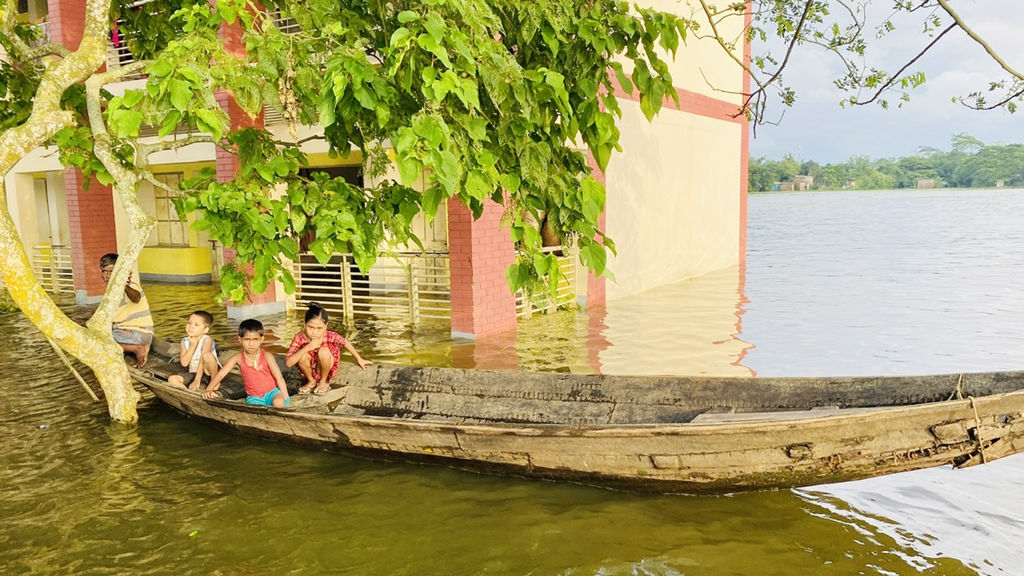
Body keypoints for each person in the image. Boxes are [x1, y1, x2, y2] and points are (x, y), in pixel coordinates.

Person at [285, 302, 371, 395]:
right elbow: (288, 363)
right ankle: (311, 380)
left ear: (326, 326)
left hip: (325, 364)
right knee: (301, 355)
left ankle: (323, 380)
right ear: (305, 324)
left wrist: (359, 359)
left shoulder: (330, 335)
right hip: (311, 368)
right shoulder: (300, 338)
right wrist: (307, 348)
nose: (314, 332)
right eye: (311, 327)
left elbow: (345, 343)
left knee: (323, 351)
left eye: (319, 328)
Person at [202, 319, 290, 407]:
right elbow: (221, 374)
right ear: (240, 339)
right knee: (255, 410)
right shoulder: (238, 357)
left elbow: (279, 377)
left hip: (272, 393)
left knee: (278, 402)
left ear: (261, 339)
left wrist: (285, 395)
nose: (251, 344)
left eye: (255, 340)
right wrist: (209, 389)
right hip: (254, 397)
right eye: (247, 340)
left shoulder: (267, 356)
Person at [99, 253, 153, 368]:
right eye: (104, 271)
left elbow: (136, 297)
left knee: (98, 339)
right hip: (125, 333)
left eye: (111, 271)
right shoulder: (111, 292)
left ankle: (139, 348)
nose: (107, 275)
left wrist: (123, 284)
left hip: (139, 334)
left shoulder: (131, 287)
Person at [168, 310, 219, 391]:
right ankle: (187, 393)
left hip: (207, 372)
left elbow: (203, 360)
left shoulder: (207, 340)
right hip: (193, 372)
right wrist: (192, 347)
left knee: (207, 355)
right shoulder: (184, 341)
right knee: (172, 379)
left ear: (205, 329)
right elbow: (184, 363)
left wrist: (196, 380)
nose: (191, 326)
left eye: (196, 325)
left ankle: (215, 381)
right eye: (189, 323)